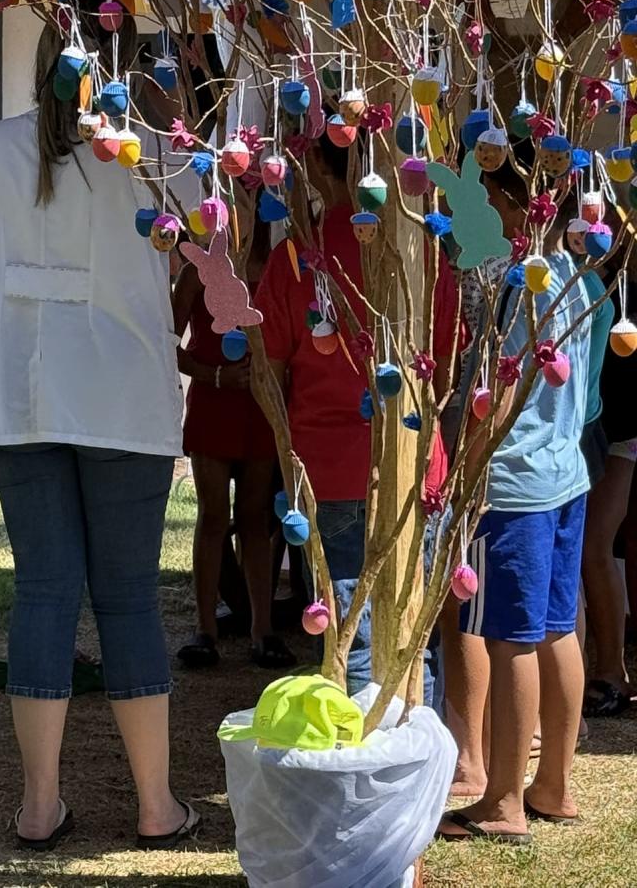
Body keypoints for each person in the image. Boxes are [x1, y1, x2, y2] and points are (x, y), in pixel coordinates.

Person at [0, 0, 198, 852]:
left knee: (44, 589)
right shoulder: (158, 156)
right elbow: (207, 251)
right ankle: (155, 804)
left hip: (19, 398)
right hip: (124, 396)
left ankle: (39, 804)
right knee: (128, 595)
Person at [255, 131, 458, 697]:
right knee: (414, 640)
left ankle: (367, 748)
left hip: (329, 471)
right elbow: (444, 369)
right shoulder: (422, 251)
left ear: (319, 166)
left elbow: (267, 372)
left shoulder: (297, 256)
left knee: (352, 638)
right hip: (416, 466)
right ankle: (411, 747)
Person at [440, 160, 593, 843]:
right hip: (566, 473)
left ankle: (503, 801)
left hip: (516, 483)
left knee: (510, 638)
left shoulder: (517, 282)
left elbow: (496, 392)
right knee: (557, 629)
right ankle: (552, 783)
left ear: (513, 201)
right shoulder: (574, 273)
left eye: (487, 196)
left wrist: (466, 475)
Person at [173, 205, 291, 669]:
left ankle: (262, 628)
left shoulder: (277, 266)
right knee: (214, 516)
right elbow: (167, 341)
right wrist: (213, 375)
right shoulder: (196, 271)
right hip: (213, 406)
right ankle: (205, 628)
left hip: (260, 408)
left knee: (256, 518)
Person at [581, 252, 634, 717]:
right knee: (593, 547)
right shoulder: (601, 275)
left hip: (620, 430)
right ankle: (602, 670)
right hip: (599, 428)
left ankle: (612, 671)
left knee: (595, 545)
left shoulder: (612, 284)